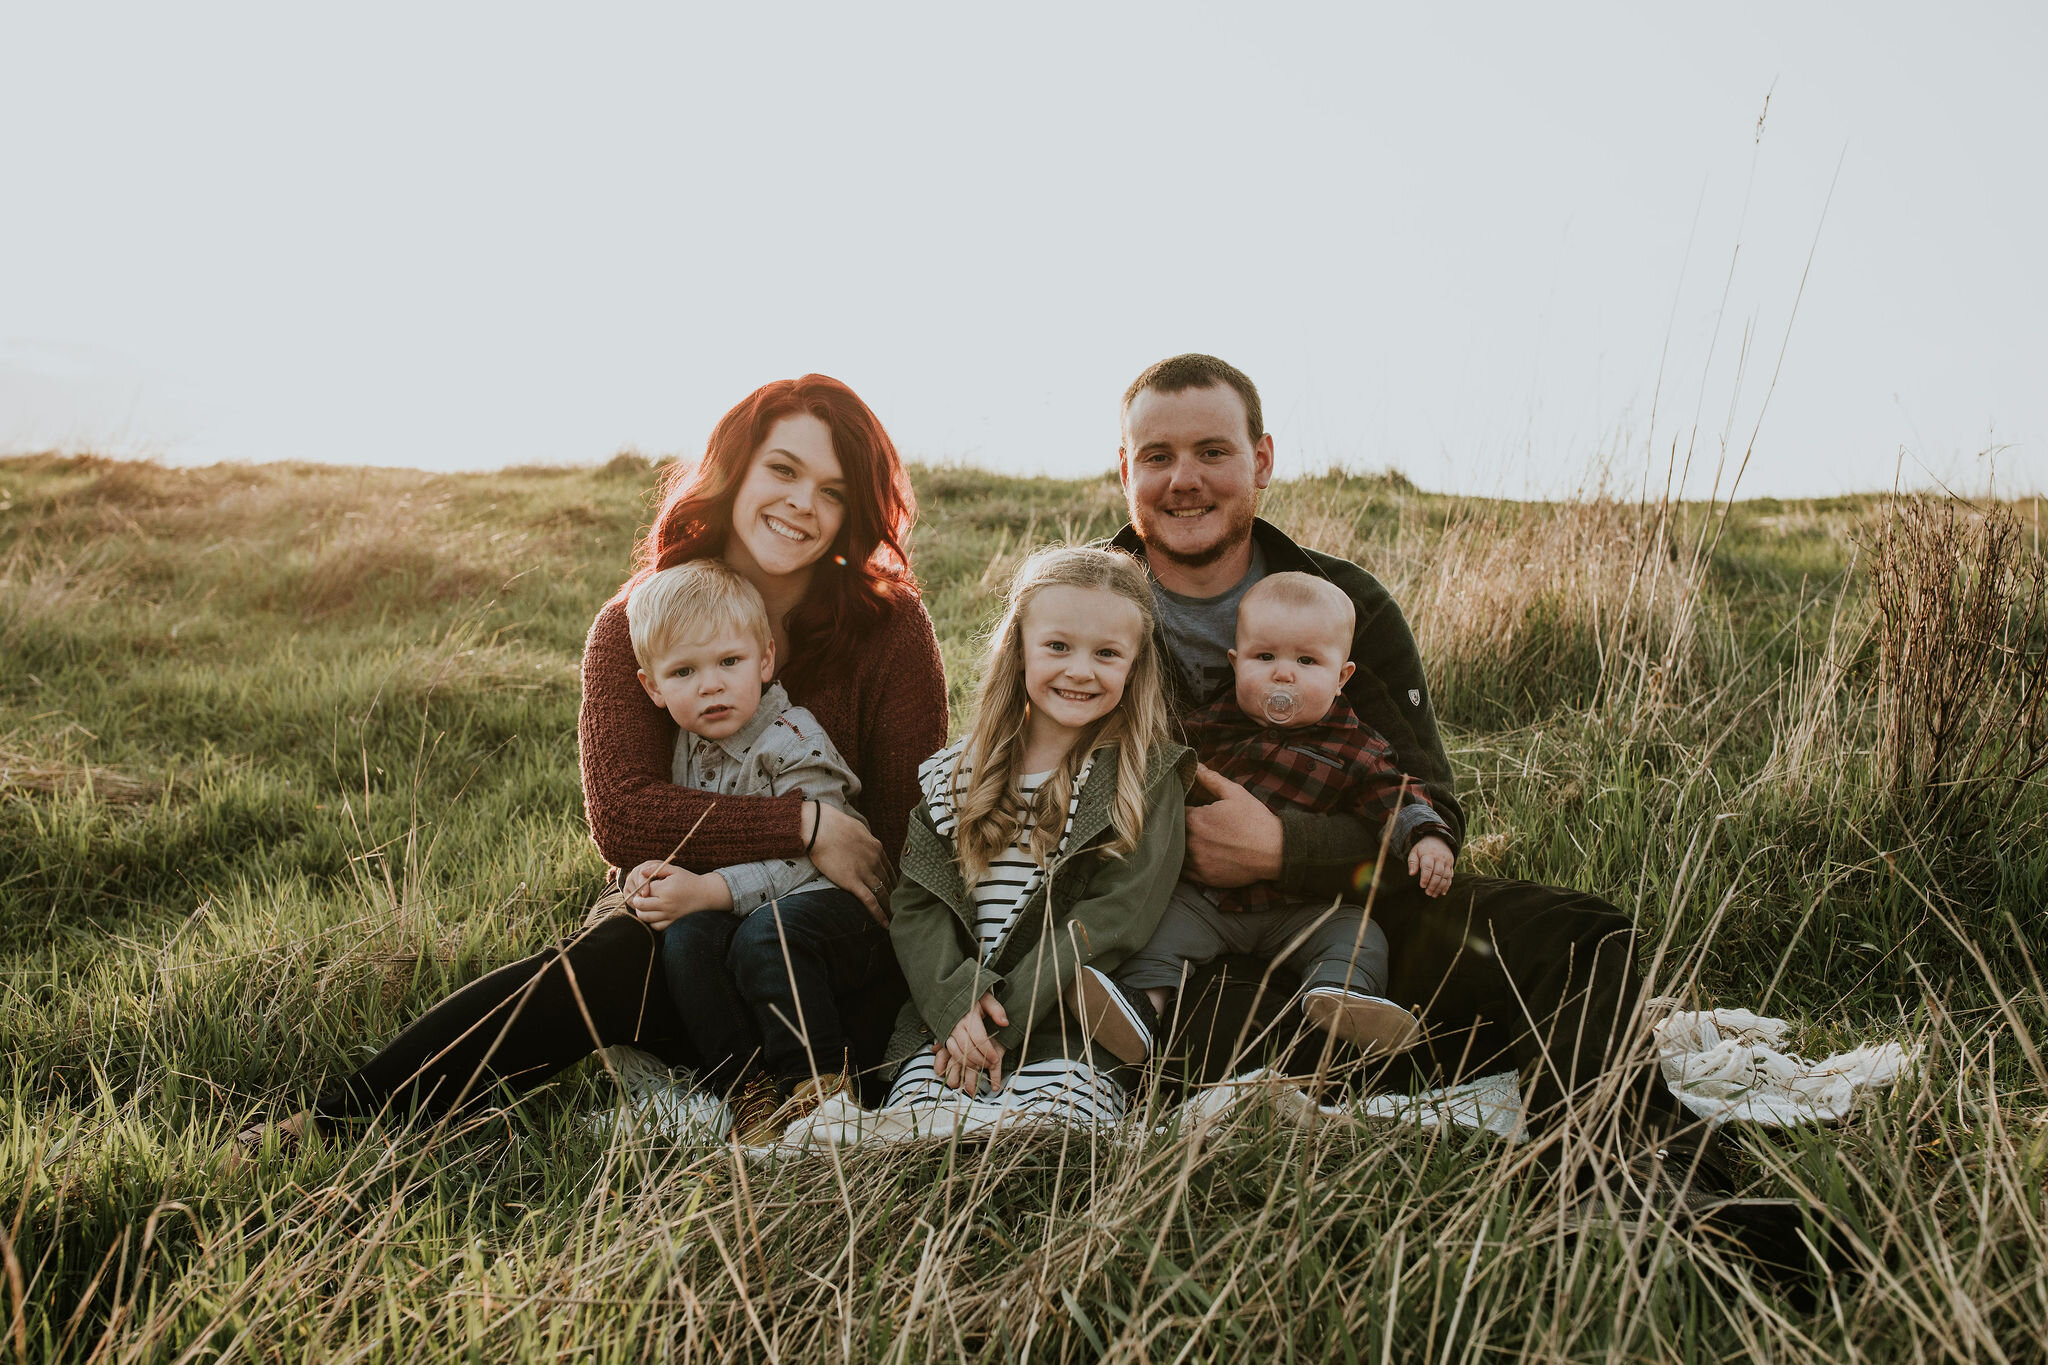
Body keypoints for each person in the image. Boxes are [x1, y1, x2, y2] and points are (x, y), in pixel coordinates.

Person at [236, 374, 946, 1154]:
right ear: (736, 469)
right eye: (783, 469)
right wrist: (804, 823)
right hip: (686, 954)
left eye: (832, 489)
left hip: (824, 957)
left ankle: (814, 1088)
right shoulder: (634, 627)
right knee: (609, 955)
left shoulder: (889, 625)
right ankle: (339, 1125)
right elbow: (626, 814)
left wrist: (801, 872)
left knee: (782, 941)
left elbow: (898, 837)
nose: (802, 502)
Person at [1108, 352, 1700, 1161]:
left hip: (1355, 927)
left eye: (1213, 451)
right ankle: (1437, 1064)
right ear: (1124, 469)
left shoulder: (1346, 604)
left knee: (1586, 939)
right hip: (1183, 953)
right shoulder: (1083, 610)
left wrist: (1284, 846)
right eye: (1158, 456)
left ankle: (1605, 1176)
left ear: (1263, 460)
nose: (1186, 479)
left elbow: (1432, 813)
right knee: (1193, 1015)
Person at [1069, 570, 1458, 1065]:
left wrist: (1426, 837)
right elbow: (1150, 765)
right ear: (1235, 663)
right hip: (1208, 902)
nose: (1283, 674)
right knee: (1157, 933)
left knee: (1359, 936)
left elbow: (1397, 796)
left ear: (1342, 678)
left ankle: (1341, 998)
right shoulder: (1205, 729)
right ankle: (1142, 1012)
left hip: (1305, 906)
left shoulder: (1359, 748)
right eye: (1265, 657)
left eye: (1307, 661)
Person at [879, 545, 1193, 1126]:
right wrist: (956, 1011)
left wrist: (1005, 1020)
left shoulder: (1143, 777)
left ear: (1135, 665)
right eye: (1057, 646)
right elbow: (917, 905)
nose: (1080, 669)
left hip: (1068, 1032)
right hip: (950, 1027)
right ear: (1018, 649)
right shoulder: (955, 775)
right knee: (916, 1137)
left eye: (1106, 653)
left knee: (1045, 1148)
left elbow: (1113, 916)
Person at [618, 557, 885, 1142]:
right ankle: (748, 1090)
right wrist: (655, 878)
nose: (710, 684)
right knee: (687, 937)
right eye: (684, 671)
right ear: (652, 687)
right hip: (753, 910)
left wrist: (708, 889)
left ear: (765, 658)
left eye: (729, 662)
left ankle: (820, 1091)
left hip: (833, 912)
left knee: (770, 935)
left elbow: (815, 855)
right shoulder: (684, 747)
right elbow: (692, 840)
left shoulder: (792, 737)